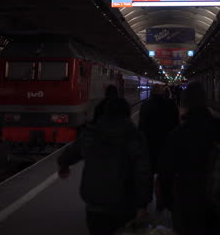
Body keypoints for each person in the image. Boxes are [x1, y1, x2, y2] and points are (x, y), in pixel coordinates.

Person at [157, 82, 220, 235]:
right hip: (218, 203)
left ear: (184, 105)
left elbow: (165, 172)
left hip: (185, 204)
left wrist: (169, 202)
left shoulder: (178, 134)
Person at [57, 98, 152, 235]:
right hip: (125, 204)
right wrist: (142, 204)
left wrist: (63, 165)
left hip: (95, 204)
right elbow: (143, 172)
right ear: (127, 113)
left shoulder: (90, 134)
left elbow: (69, 154)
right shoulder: (135, 137)